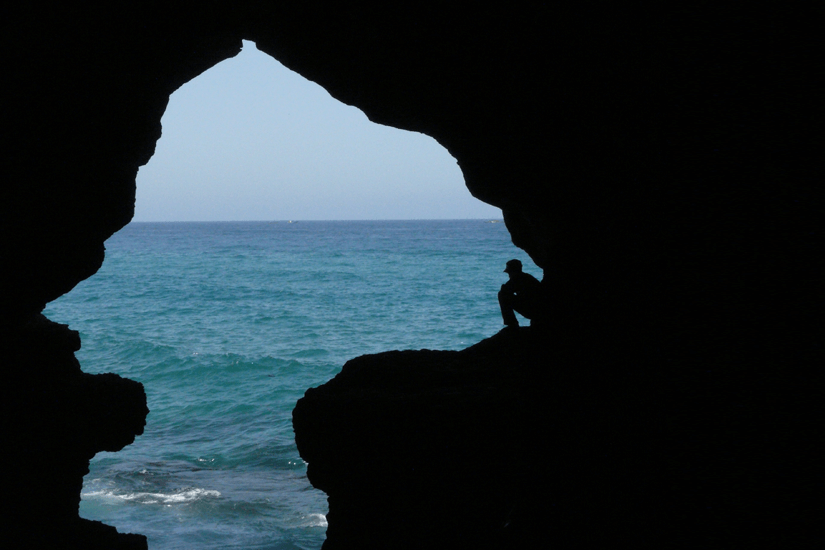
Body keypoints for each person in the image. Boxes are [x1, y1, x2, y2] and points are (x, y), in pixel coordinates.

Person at [498, 259, 544, 328]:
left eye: (509, 272)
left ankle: (512, 324)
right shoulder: (527, 277)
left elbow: (505, 291)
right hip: (539, 310)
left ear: (513, 271)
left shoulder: (517, 279)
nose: (509, 275)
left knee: (502, 295)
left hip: (533, 310)